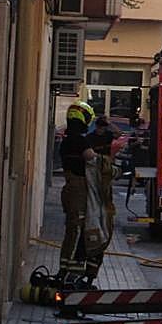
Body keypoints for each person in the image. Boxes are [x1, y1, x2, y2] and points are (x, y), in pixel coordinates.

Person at [58, 101, 97, 286]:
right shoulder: (80, 140)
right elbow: (91, 158)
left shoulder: (66, 140)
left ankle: (64, 269)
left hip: (69, 189)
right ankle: (71, 274)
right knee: (78, 230)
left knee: (71, 229)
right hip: (78, 190)